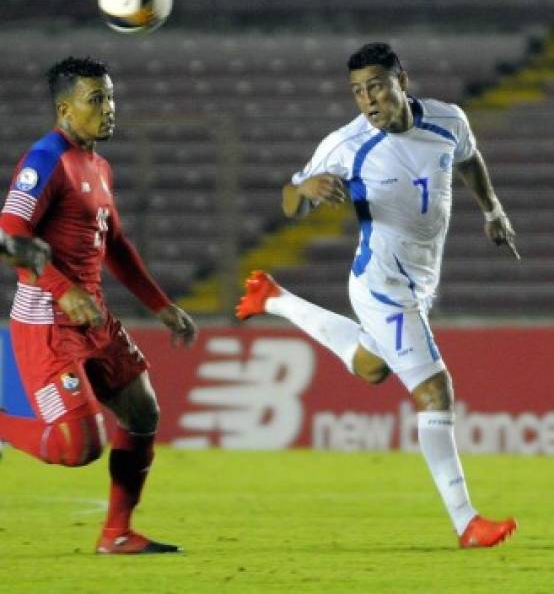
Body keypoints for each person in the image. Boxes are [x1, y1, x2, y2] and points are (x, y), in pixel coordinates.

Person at [236, 42, 519, 549]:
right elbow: (288, 200)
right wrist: (305, 192)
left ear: (401, 81)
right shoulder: (345, 145)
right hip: (381, 283)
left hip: (421, 280)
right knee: (435, 392)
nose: (368, 100)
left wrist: (493, 210)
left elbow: (470, 160)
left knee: (372, 367)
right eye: (358, 92)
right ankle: (466, 522)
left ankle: (273, 298)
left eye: (376, 87)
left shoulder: (447, 122)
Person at [0, 56, 198, 554]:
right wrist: (60, 287)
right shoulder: (46, 159)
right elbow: (10, 232)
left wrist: (161, 306)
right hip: (48, 318)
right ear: (65, 108)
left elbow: (115, 245)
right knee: (79, 447)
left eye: (110, 97)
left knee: (143, 412)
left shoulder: (98, 165)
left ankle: (118, 533)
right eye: (96, 99)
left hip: (93, 316)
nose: (109, 109)